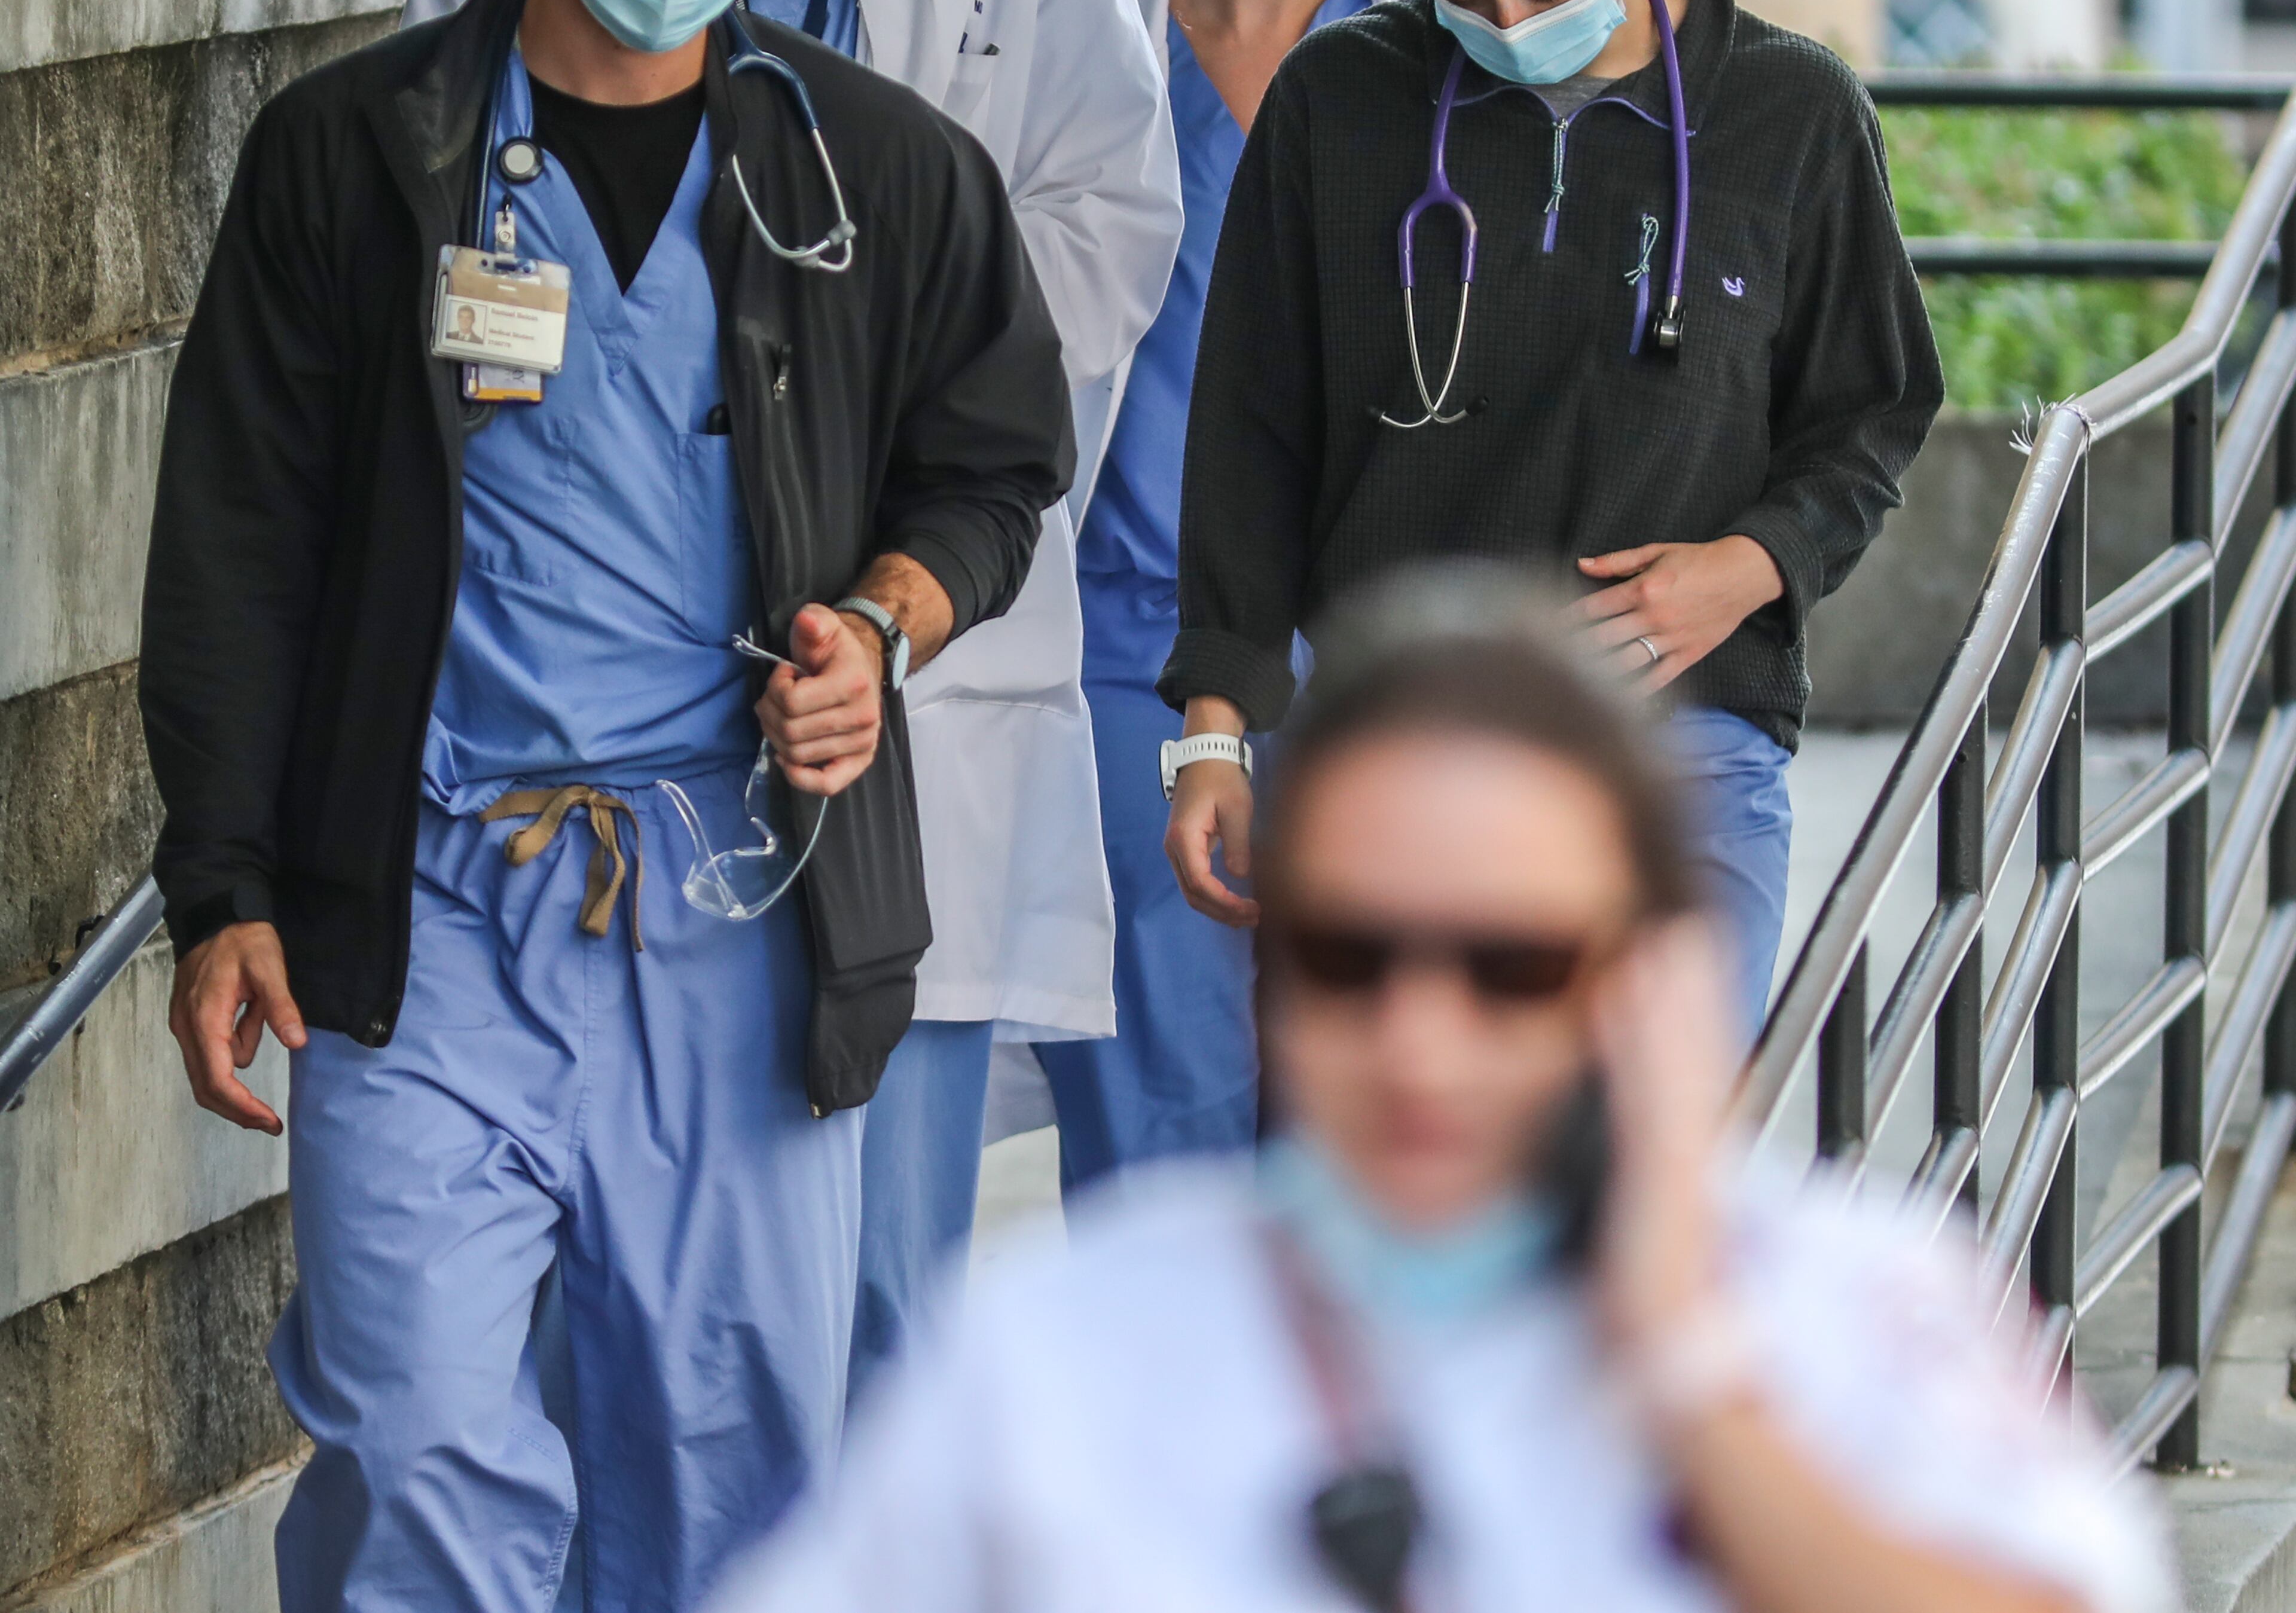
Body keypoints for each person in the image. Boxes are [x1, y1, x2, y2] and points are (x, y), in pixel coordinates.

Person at [141, 0, 1073, 1613]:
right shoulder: (358, 157)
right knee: (412, 1446)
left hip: (739, 911)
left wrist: (882, 629)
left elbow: (993, 465)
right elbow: (236, 532)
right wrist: (220, 881)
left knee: (730, 1479)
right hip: (431, 905)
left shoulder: (878, 171)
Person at [404, 0, 1183, 1384]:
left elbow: (1110, 212)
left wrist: (904, 438)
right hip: (602, 674)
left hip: (898, 648)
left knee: (886, 1287)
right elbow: (436, 211)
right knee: (609, 1316)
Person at [714, 567, 2172, 1613]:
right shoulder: (1061, 1355)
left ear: (1640, 981)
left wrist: (1687, 1369)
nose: (1420, 1039)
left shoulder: (1856, 1310)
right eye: (1352, 956)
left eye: (1512, 966)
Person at [1162, 0, 1944, 1031]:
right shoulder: (1338, 99)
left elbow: (1870, 414)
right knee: (1392, 1180)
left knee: (1657, 1167)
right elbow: (1251, 431)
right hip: (1389, 743)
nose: (1508, 27)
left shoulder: (1792, 114)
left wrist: (1750, 565)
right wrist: (1214, 729)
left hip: (1681, 739)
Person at [1033, 0, 1419, 1196]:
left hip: (1394, 652)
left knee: (1371, 1121)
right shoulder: (1078, 48)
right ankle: (1175, 1445)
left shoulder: (1438, 53)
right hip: (1133, 648)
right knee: (1161, 1129)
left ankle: (1350, 1448)